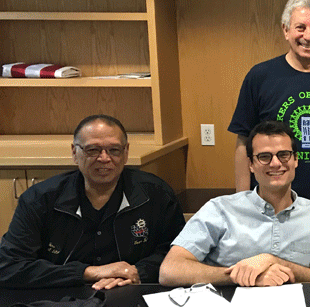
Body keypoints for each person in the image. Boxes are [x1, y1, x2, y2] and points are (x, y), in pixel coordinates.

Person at [0, 115, 184, 289]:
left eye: (114, 150)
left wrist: (137, 272)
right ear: (74, 152)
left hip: (132, 291)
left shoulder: (157, 194)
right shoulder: (40, 199)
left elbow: (177, 254)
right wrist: (88, 273)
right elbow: (8, 266)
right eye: (92, 150)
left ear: (126, 152)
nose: (104, 158)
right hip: (60, 297)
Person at [228, 0, 310, 238]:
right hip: (271, 211)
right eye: (300, 27)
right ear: (285, 31)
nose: (308, 36)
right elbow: (244, 144)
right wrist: (241, 205)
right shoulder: (260, 77)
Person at [160, 121, 310, 287]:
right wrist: (241, 276)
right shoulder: (219, 209)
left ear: (295, 160)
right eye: (264, 157)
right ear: (251, 164)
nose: (275, 163)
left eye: (283, 155)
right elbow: (169, 270)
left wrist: (275, 261)